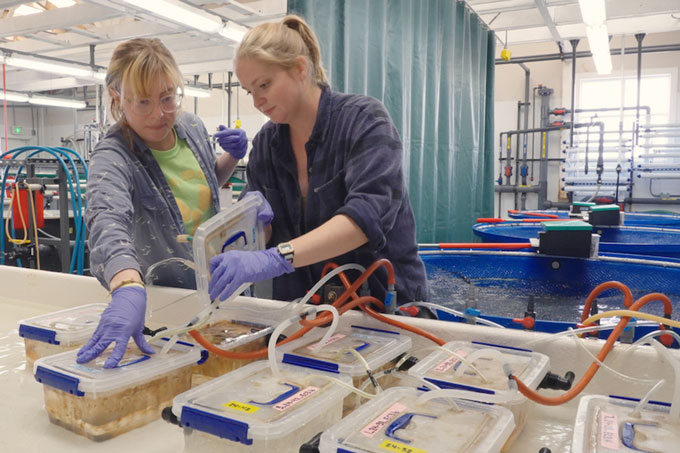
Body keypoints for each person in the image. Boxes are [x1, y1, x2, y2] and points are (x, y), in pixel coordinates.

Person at [209, 15, 429, 308]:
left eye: (264, 84)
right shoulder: (266, 144)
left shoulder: (363, 120)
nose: (256, 101)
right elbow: (263, 227)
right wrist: (252, 228)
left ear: (300, 69)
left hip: (381, 306)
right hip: (305, 308)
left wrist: (276, 257)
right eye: (251, 91)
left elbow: (365, 218)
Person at [77, 38, 249, 368]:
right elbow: (107, 218)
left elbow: (206, 184)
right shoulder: (114, 156)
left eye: (168, 98)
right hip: (169, 306)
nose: (160, 114)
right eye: (143, 102)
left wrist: (233, 157)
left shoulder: (191, 128)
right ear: (118, 97)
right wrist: (126, 285)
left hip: (219, 288)